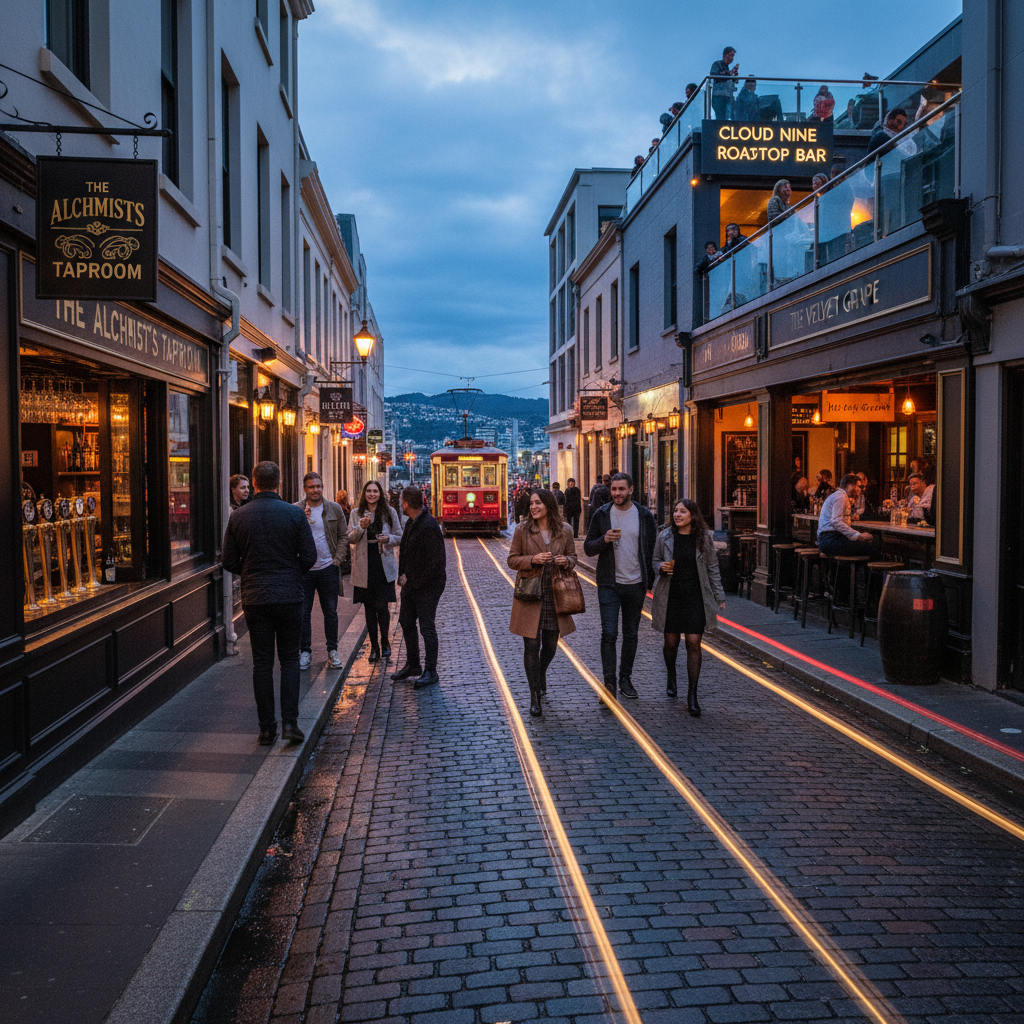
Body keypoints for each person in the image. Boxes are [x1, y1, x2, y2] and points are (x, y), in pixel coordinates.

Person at [221, 461, 317, 745]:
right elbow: (309, 557)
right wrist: (290, 573)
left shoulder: (238, 517)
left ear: (255, 482)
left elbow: (228, 561)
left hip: (255, 597)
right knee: (289, 659)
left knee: (261, 663)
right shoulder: (294, 514)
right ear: (280, 482)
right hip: (289, 596)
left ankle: (266, 729)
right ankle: (290, 723)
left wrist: (251, 573)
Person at [584, 472, 658, 699]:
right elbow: (588, 548)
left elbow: (652, 549)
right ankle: (609, 683)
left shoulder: (644, 515)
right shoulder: (602, 513)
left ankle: (625, 678)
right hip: (609, 583)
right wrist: (603, 540)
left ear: (631, 490)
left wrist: (650, 581)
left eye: (621, 489)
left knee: (631, 634)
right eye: (614, 489)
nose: (616, 493)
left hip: (635, 584)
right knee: (609, 634)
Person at [508, 489, 578, 716]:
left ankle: (540, 673)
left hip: (555, 594)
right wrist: (532, 560)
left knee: (549, 645)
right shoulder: (522, 530)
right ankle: (534, 696)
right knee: (530, 646)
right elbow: (512, 560)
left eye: (538, 503)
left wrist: (565, 561)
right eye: (531, 504)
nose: (533, 507)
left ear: (548, 504)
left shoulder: (565, 530)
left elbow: (573, 557)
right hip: (530, 593)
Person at [651, 499, 725, 714]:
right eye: (675, 511)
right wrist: (660, 567)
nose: (677, 515)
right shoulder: (664, 536)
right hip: (671, 596)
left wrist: (719, 596)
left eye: (683, 511)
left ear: (693, 515)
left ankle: (692, 694)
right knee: (671, 643)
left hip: (695, 596)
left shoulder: (703, 539)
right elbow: (654, 560)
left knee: (693, 643)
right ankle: (671, 674)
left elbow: (712, 568)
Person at [393, 486, 446, 689]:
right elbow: (405, 552)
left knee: (427, 626)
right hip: (412, 584)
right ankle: (413, 664)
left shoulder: (428, 525)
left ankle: (431, 671)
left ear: (406, 503)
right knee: (406, 621)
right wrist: (402, 575)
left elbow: (436, 563)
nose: (401, 505)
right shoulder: (412, 522)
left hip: (428, 586)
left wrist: (412, 580)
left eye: (402, 502)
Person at [295, 472, 348, 671]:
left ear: (322, 487)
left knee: (331, 612)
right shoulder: (296, 510)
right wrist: (304, 521)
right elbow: (291, 539)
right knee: (303, 612)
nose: (315, 490)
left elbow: (343, 536)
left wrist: (337, 560)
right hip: (305, 570)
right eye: (311, 487)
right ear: (305, 489)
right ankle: (305, 651)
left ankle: (332, 651)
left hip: (328, 568)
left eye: (318, 486)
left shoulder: (334, 508)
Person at [348, 478, 403, 662]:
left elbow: (400, 536)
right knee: (369, 607)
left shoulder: (389, 512)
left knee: (383, 606)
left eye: (375, 491)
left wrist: (388, 539)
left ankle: (385, 642)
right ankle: (374, 647)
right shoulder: (356, 513)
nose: (372, 494)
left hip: (383, 563)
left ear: (380, 494)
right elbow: (350, 538)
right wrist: (360, 528)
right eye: (369, 491)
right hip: (364, 564)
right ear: (364, 494)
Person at [816, 474, 881, 560]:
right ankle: (877, 573)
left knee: (865, 546)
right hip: (830, 540)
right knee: (870, 549)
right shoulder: (841, 497)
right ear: (851, 486)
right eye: (858, 486)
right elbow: (835, 522)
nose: (860, 490)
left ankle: (851, 572)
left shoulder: (839, 496)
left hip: (826, 539)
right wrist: (858, 535)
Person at [709, 46, 738, 121]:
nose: (731, 58)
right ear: (724, 55)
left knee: (728, 117)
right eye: (730, 55)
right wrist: (729, 73)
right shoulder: (717, 64)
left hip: (727, 97)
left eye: (733, 56)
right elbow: (714, 75)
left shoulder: (727, 67)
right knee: (721, 117)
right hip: (719, 96)